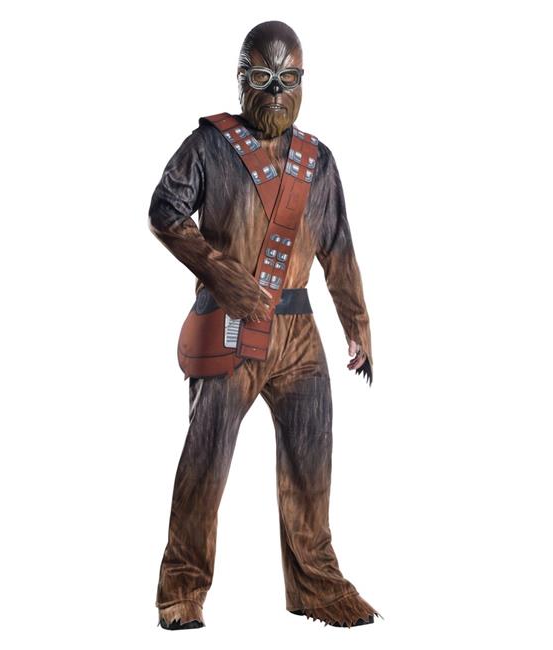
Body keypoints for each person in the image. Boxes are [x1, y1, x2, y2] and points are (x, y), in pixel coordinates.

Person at [148, 20, 381, 629]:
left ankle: (316, 586)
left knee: (311, 462)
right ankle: (181, 590)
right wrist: (220, 273)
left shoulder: (318, 161)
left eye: (288, 78)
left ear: (303, 82)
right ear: (241, 78)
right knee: (206, 459)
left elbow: (339, 248)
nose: (276, 90)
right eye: (262, 76)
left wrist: (357, 324)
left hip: (300, 331)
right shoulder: (208, 146)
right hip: (229, 327)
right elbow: (165, 211)